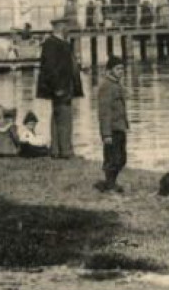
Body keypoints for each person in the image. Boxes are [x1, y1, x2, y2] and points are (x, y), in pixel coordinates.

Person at [36, 16, 84, 159]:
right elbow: (50, 68)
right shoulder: (52, 44)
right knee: (64, 118)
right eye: (66, 27)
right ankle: (66, 151)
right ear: (61, 28)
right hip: (60, 87)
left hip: (64, 86)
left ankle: (56, 150)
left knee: (59, 117)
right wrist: (57, 87)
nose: (68, 30)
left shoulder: (58, 43)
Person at [94, 55, 129, 193]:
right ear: (110, 70)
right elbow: (104, 112)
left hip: (120, 127)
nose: (121, 71)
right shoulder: (106, 86)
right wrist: (106, 133)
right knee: (112, 158)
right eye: (118, 69)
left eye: (122, 69)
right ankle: (110, 184)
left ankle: (112, 183)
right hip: (112, 129)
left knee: (121, 158)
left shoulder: (116, 84)